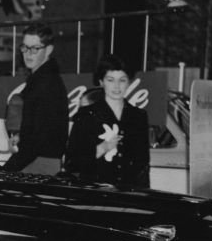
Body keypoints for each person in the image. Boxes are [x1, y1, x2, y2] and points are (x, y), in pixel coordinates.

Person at [64, 54, 150, 187]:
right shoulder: (87, 115)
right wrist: (101, 148)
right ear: (101, 82)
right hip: (95, 194)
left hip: (129, 195)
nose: (116, 86)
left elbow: (143, 166)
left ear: (129, 82)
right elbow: (72, 163)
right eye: (110, 80)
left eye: (122, 80)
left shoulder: (138, 116)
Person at [2, 23, 70, 175]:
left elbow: (37, 140)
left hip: (39, 163)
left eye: (35, 49)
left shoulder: (45, 84)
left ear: (49, 50)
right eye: (25, 47)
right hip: (39, 160)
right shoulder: (43, 79)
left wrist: (6, 171)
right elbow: (41, 128)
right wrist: (22, 136)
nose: (28, 54)